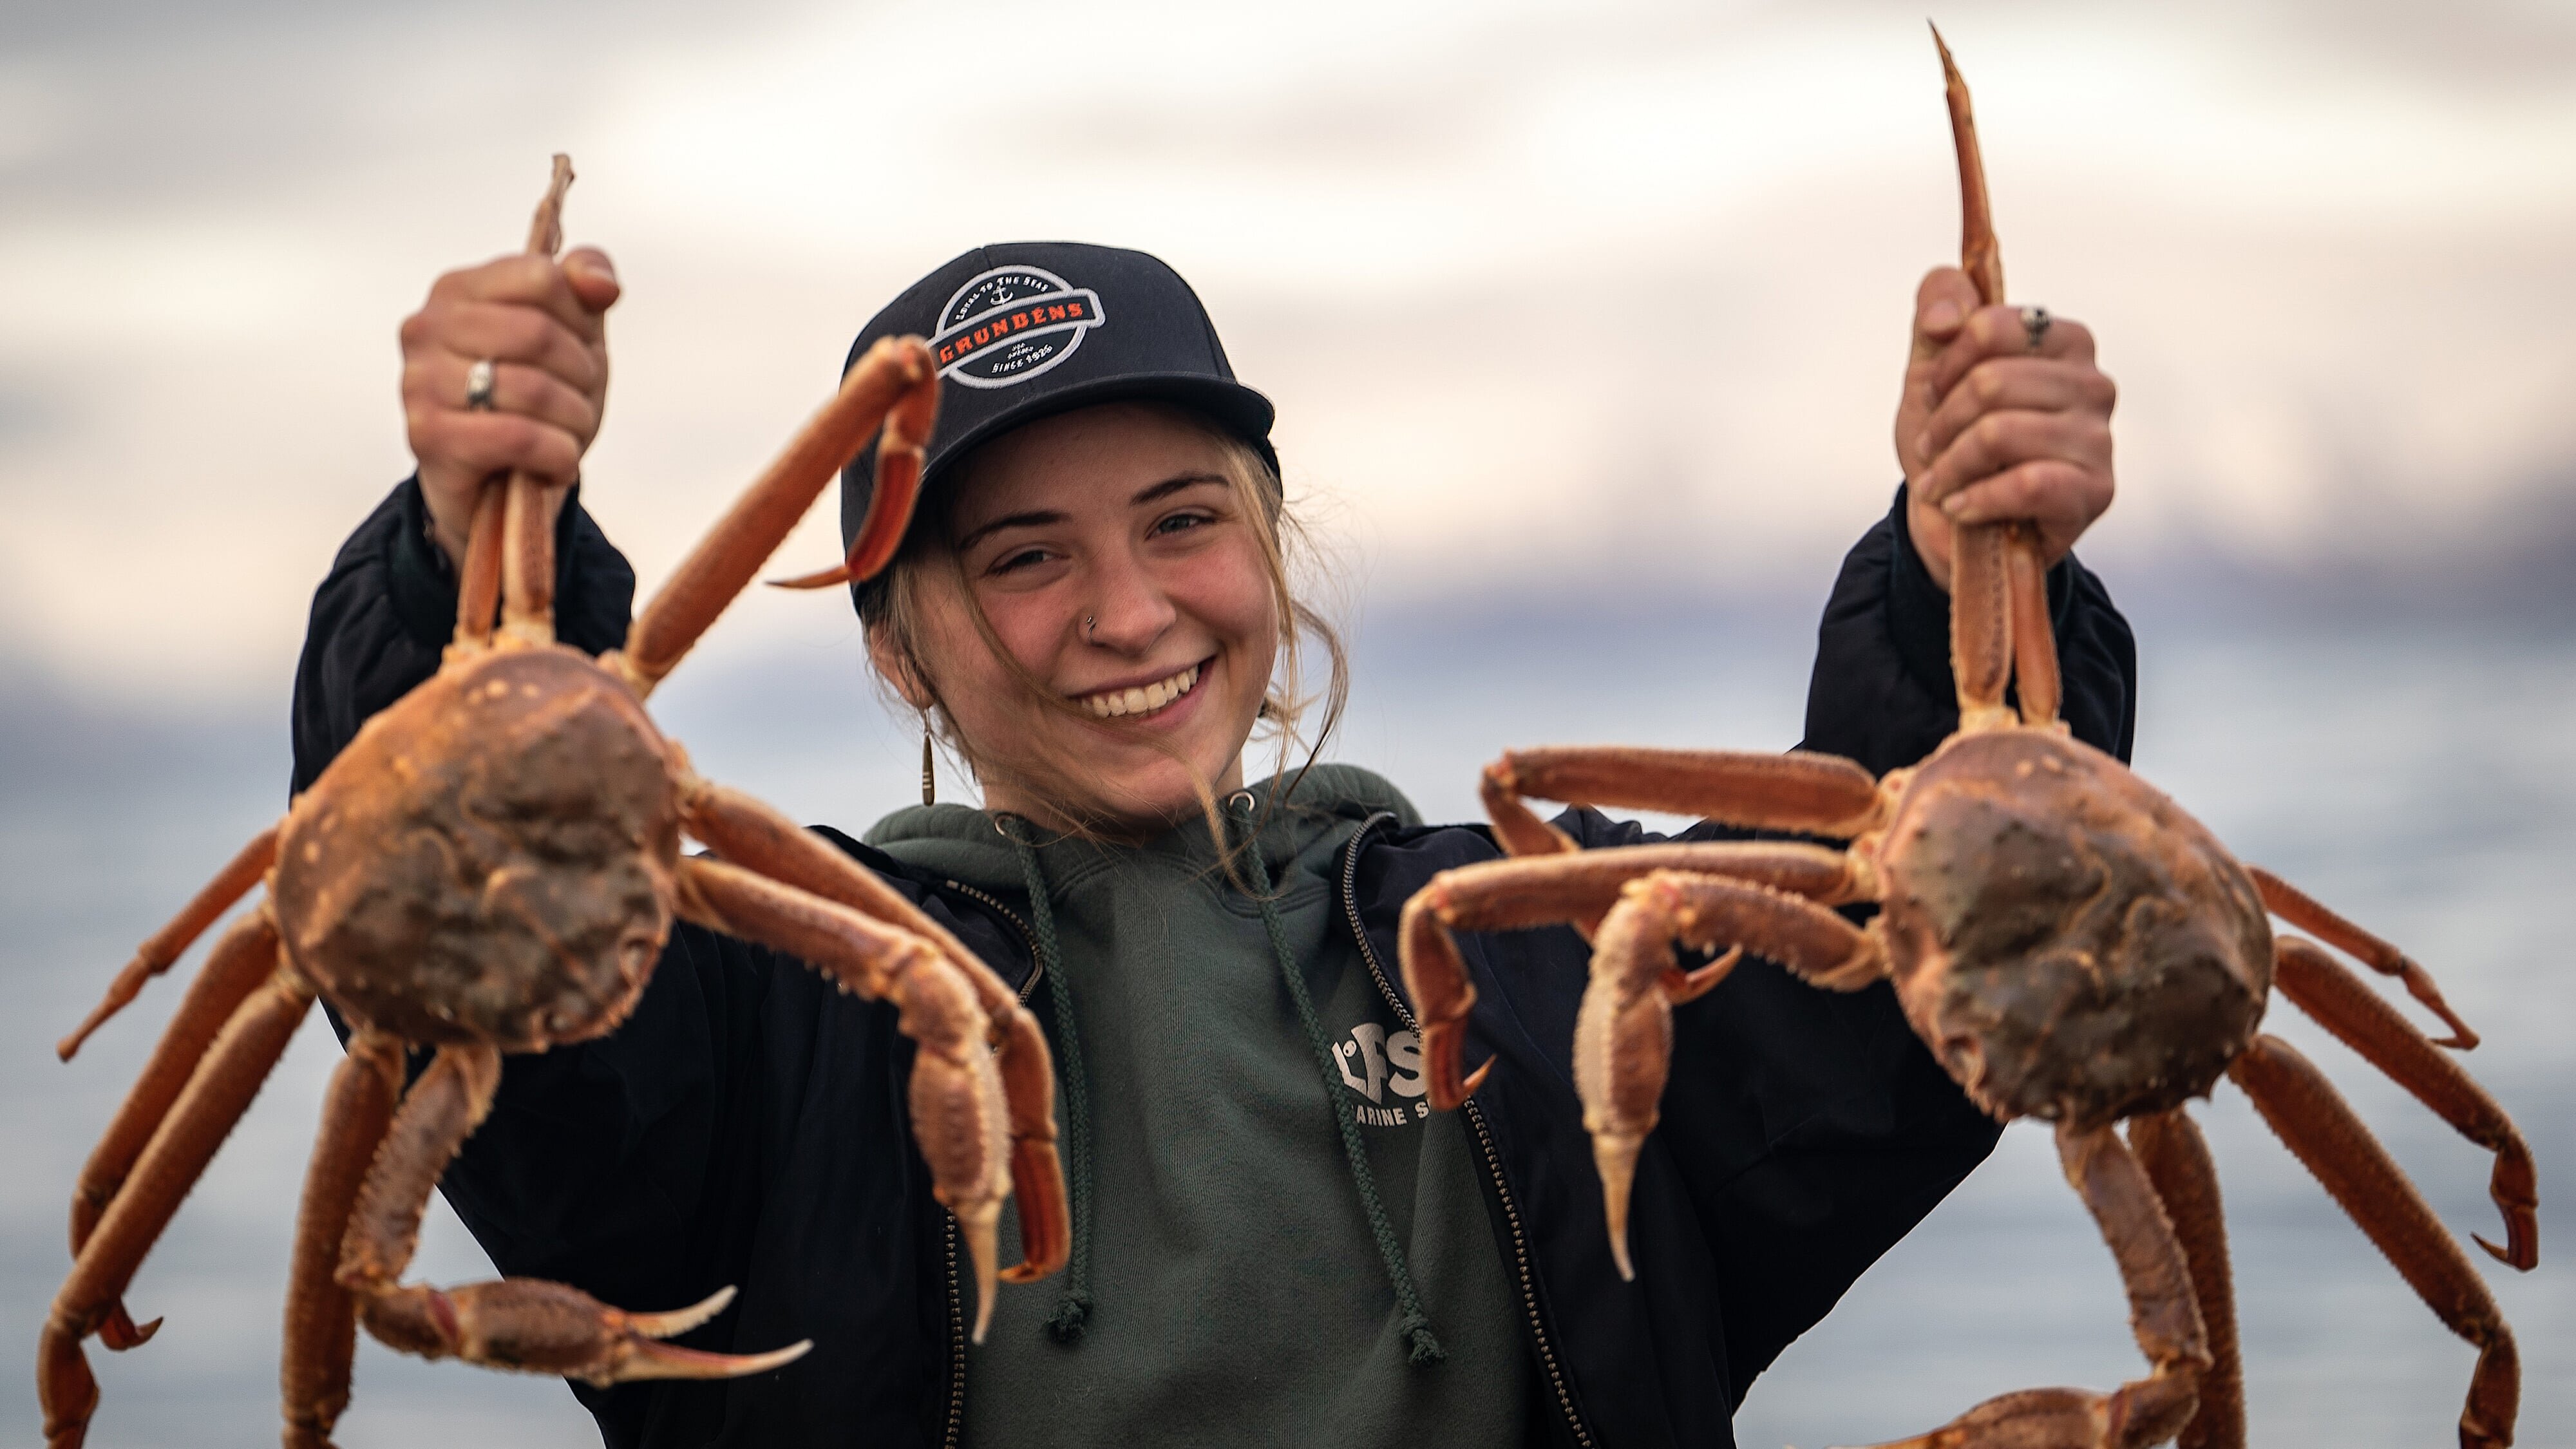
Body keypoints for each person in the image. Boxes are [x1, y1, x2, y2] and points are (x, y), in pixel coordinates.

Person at [291, 238, 2130, 1448]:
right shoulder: (787, 991)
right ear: (890, 637)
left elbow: (1905, 970)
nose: (1127, 610)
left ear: (1269, 542)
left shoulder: (1540, 931)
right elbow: (484, 976)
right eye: (1021, 557)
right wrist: (462, 561)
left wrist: (1970, 556)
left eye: (1182, 521)